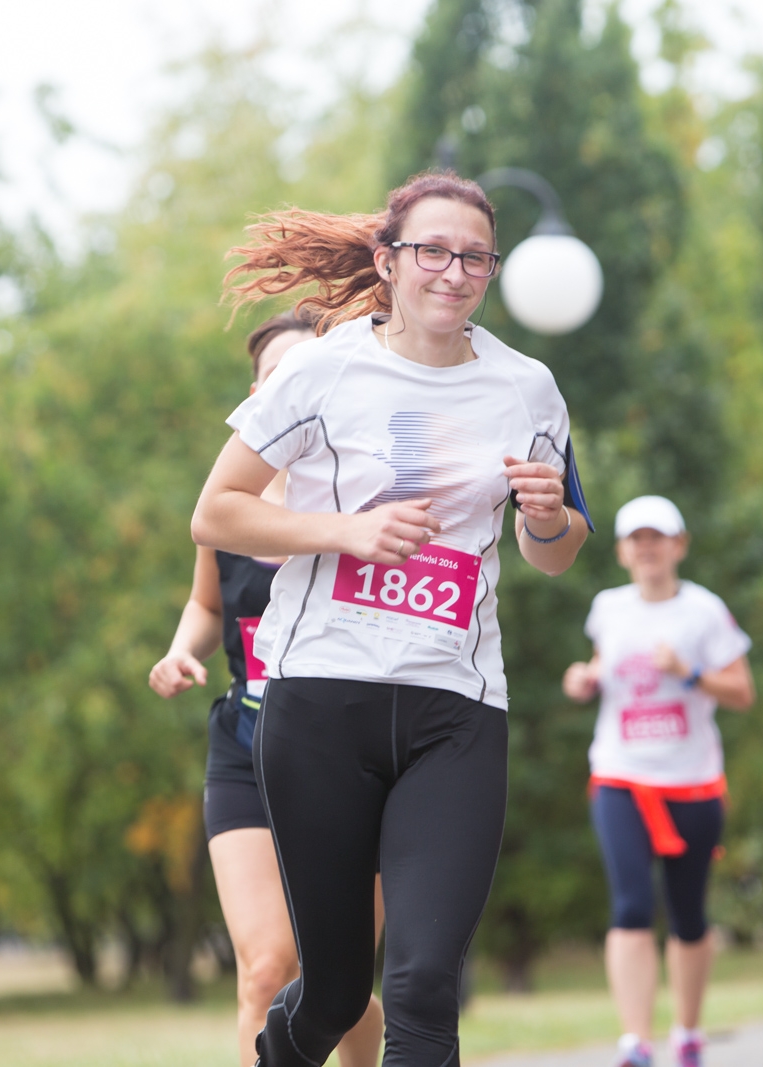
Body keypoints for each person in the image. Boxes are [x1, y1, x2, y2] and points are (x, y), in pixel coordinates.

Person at [193, 171, 591, 1067]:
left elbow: (555, 551)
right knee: (334, 990)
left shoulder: (528, 387)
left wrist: (545, 518)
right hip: (320, 702)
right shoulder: (323, 369)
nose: (454, 272)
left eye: (475, 257)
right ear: (389, 261)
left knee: (422, 983)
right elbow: (215, 513)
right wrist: (347, 530)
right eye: (433, 251)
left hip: (457, 709)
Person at [149, 310, 385, 1067]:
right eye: (281, 373)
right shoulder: (227, 504)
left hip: (348, 759)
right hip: (246, 749)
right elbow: (208, 605)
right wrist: (180, 652)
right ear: (258, 395)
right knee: (264, 967)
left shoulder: (365, 492)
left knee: (340, 982)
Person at [562, 495, 755, 1067]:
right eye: (636, 539)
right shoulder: (608, 607)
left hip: (692, 782)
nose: (647, 548)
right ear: (623, 551)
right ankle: (636, 1042)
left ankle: (687, 1032)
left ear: (679, 545)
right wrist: (584, 679)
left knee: (688, 912)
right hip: (621, 776)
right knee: (631, 905)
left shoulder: (704, 611)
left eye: (657, 538)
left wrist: (689, 673)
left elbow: (742, 692)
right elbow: (601, 665)